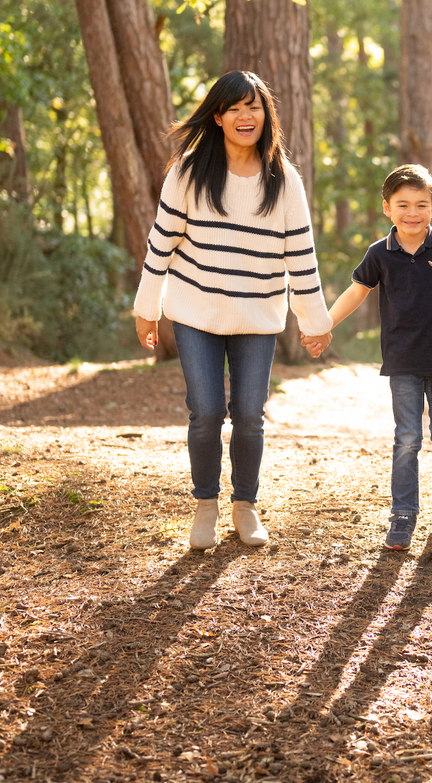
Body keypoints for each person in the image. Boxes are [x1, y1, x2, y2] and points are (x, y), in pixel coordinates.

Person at [133, 71, 332, 551]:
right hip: (196, 311)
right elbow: (161, 245)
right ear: (218, 117)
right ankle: (206, 504)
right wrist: (147, 307)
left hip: (257, 316)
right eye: (236, 108)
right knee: (205, 411)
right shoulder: (188, 171)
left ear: (267, 116)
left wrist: (315, 322)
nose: (247, 116)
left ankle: (245, 505)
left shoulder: (283, 181)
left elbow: (301, 257)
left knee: (248, 413)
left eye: (255, 107)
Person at [305, 164, 432, 550]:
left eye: (421, 204)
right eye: (402, 205)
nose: (411, 212)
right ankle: (402, 518)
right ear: (387, 208)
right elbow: (355, 293)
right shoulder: (379, 253)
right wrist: (323, 324)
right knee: (407, 440)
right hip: (402, 362)